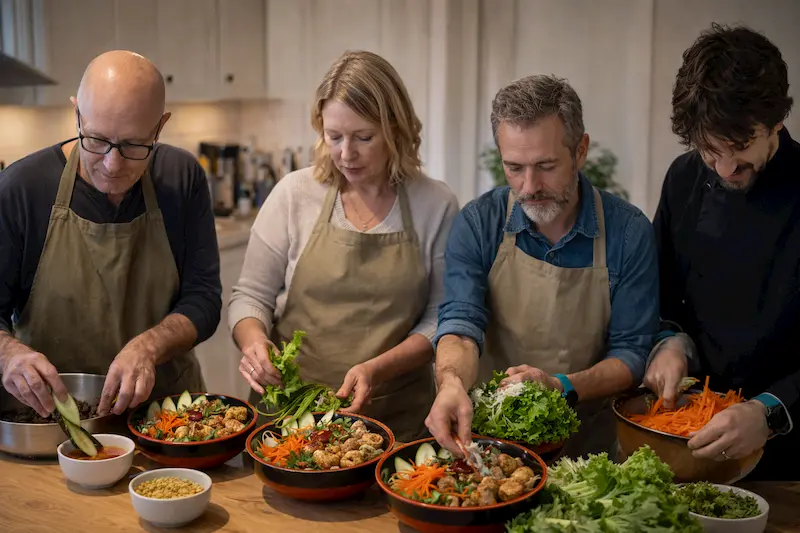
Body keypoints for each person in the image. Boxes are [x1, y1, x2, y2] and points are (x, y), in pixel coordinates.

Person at [228, 50, 459, 442]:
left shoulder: (435, 205)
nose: (346, 154)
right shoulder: (293, 194)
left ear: (395, 130)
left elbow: (441, 319)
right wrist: (254, 343)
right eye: (334, 137)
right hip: (289, 417)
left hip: (393, 421)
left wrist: (377, 369)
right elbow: (249, 296)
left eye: (363, 137)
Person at [425, 74, 659, 457]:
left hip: (587, 448)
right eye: (514, 167)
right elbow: (461, 326)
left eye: (546, 166)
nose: (529, 186)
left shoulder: (629, 232)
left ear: (580, 151)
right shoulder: (478, 223)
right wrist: (451, 382)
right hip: (490, 446)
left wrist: (562, 385)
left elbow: (631, 354)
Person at [0, 51, 221, 419]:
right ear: (76, 115)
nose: (112, 164)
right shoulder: (21, 190)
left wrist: (150, 346)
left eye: (134, 145)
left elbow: (205, 300)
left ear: (160, 127)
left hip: (166, 418)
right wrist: (9, 354)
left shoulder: (181, 178)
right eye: (97, 140)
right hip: (51, 420)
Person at [644, 24, 798, 480]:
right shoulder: (683, 180)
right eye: (711, 150)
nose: (726, 168)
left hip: (790, 453)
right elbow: (664, 294)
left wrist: (771, 412)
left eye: (740, 147)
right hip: (692, 433)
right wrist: (669, 342)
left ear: (777, 121)